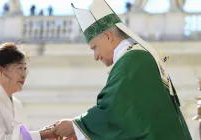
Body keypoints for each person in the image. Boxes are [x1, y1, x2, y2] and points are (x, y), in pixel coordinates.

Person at [47, 0, 192, 140]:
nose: (95, 56)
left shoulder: (131, 61)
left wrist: (77, 126)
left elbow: (114, 110)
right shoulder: (137, 57)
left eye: (94, 47)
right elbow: (133, 122)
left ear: (108, 37)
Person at [0, 43, 57, 140]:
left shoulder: (17, 105)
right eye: (19, 68)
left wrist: (43, 134)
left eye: (25, 68)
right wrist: (41, 135)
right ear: (0, 69)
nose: (24, 75)